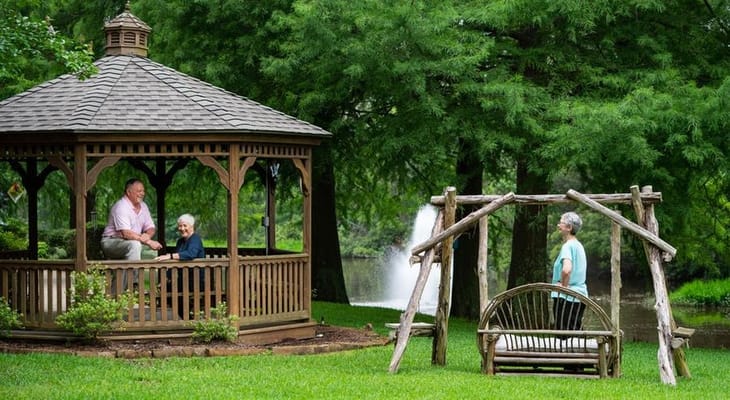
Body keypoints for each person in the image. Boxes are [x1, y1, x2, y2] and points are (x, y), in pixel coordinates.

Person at [101, 178, 163, 291]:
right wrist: (148, 241)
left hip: (128, 244)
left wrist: (147, 236)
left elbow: (151, 227)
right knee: (134, 245)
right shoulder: (121, 207)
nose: (142, 193)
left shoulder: (143, 206)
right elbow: (126, 233)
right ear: (129, 192)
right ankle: (135, 282)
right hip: (111, 242)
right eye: (139, 191)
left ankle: (114, 298)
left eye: (143, 191)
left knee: (125, 269)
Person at [155, 213, 206, 319]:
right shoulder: (180, 241)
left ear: (191, 227)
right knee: (164, 288)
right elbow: (176, 261)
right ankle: (185, 317)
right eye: (180, 226)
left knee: (174, 291)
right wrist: (167, 277)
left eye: (184, 226)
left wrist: (169, 256)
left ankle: (189, 317)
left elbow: (191, 254)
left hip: (195, 280)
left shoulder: (195, 239)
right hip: (182, 279)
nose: (182, 228)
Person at [551, 211, 588, 332]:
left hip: (566, 297)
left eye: (561, 223)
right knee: (574, 332)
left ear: (569, 227)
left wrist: (563, 287)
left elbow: (567, 270)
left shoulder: (567, 246)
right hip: (579, 296)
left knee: (564, 336)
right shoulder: (579, 245)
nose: (558, 225)